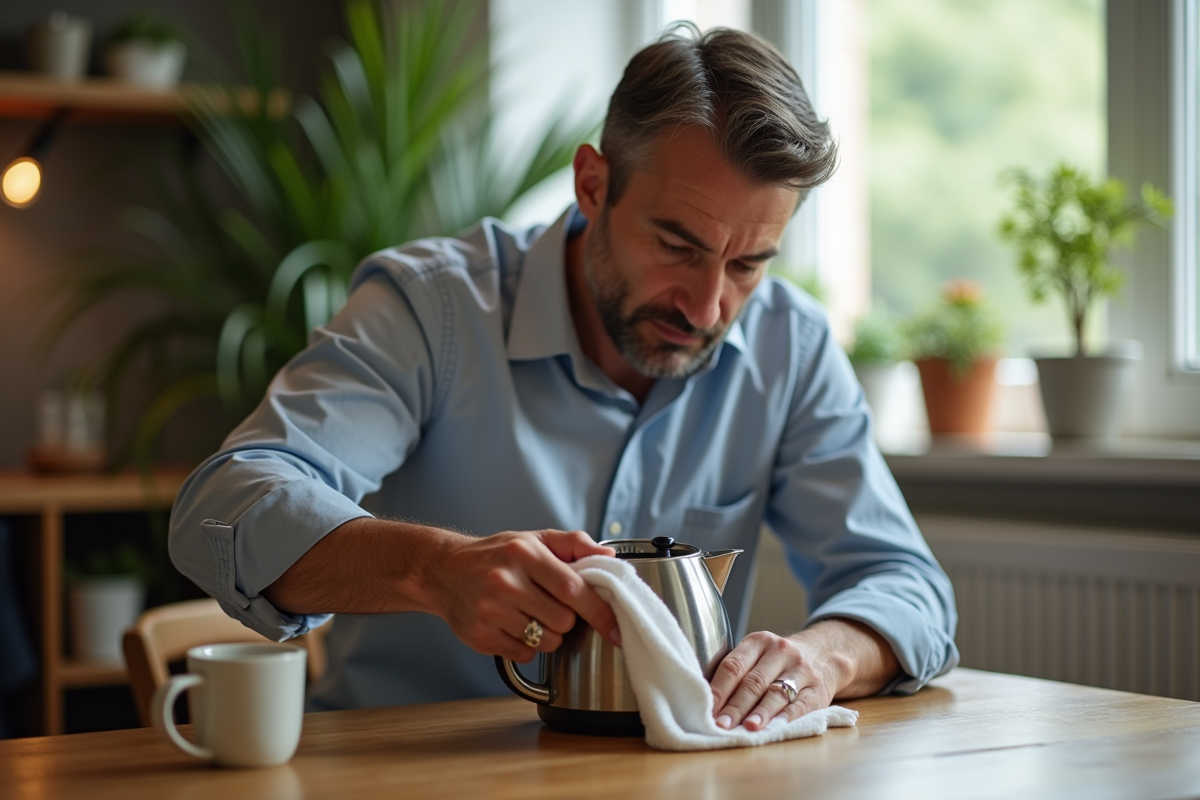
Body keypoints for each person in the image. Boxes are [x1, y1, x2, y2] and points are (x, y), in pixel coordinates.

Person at [170, 25, 958, 733]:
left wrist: (825, 657)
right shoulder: (433, 309)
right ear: (593, 185)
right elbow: (226, 507)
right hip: (408, 778)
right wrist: (436, 571)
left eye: (748, 263)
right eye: (678, 245)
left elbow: (905, 585)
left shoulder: (792, 346)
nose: (710, 305)